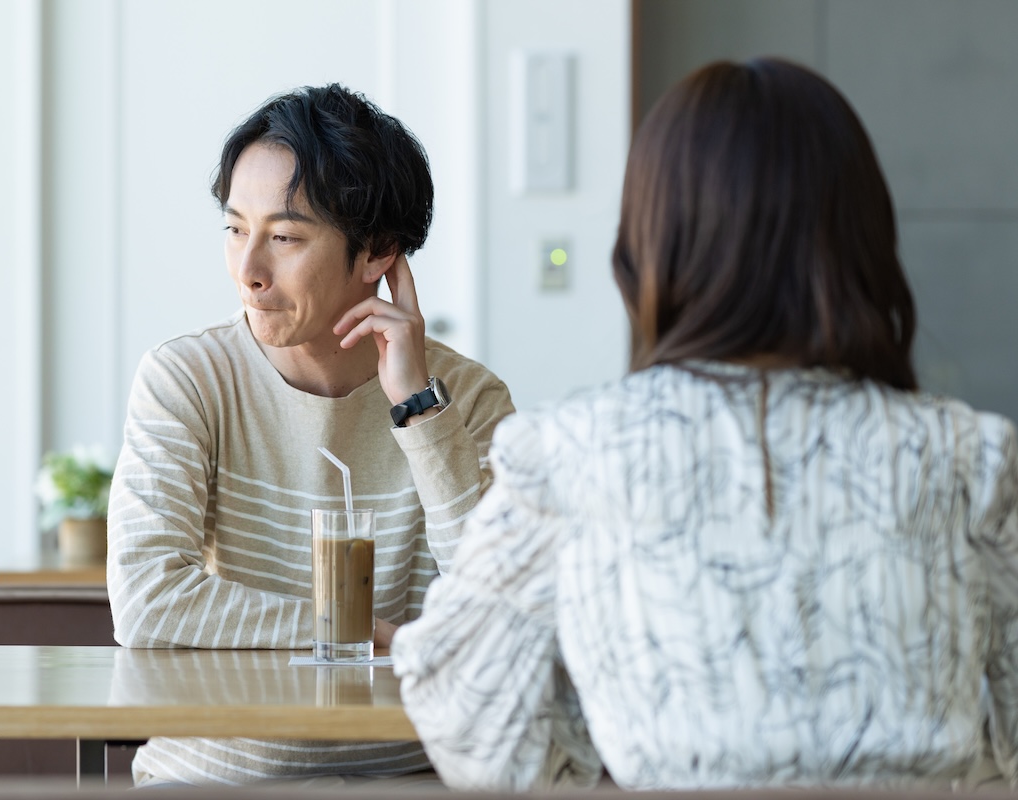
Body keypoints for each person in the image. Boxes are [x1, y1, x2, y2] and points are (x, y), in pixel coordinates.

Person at [391, 57, 1018, 791]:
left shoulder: (572, 455)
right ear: (864, 237)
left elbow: (474, 729)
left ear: (649, 242)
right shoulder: (970, 458)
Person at [106, 83, 515, 787]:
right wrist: (362, 632)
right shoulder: (187, 379)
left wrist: (419, 411)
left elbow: (502, 611)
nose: (249, 272)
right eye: (236, 229)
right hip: (210, 778)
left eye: (285, 237)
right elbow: (148, 600)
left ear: (379, 252)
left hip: (409, 778)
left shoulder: (468, 399)